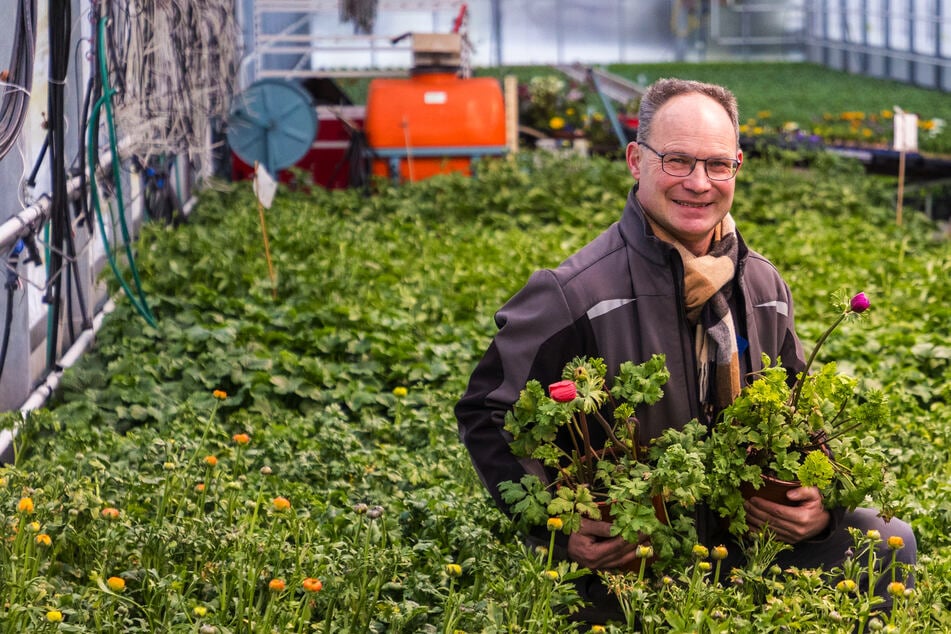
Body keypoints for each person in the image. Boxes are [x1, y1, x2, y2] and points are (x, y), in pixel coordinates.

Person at [455, 78, 916, 622]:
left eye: (718, 164)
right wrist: (555, 526)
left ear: (738, 166)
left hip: (745, 538)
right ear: (635, 160)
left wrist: (822, 510)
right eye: (677, 161)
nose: (699, 183)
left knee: (890, 540)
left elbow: (801, 418)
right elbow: (486, 411)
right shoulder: (576, 293)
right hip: (632, 553)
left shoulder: (763, 286)